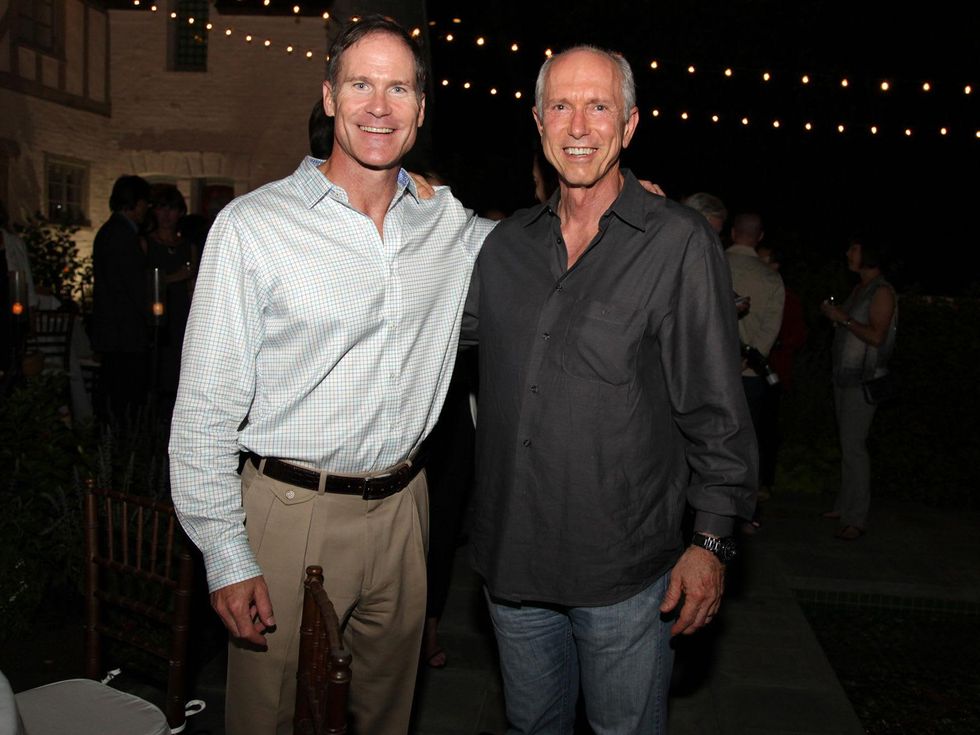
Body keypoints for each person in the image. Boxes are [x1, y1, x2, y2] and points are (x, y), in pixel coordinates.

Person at [168, 15, 493, 735]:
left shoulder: (449, 226)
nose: (379, 105)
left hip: (407, 509)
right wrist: (226, 554)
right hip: (290, 514)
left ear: (421, 106)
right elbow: (203, 411)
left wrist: (613, 204)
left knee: (386, 716)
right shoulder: (254, 227)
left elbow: (545, 251)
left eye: (399, 87)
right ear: (327, 96)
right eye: (361, 84)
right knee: (271, 718)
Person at [465, 46, 756, 734]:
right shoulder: (504, 248)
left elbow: (717, 408)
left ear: (628, 125)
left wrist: (711, 542)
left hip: (623, 572)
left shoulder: (677, 243)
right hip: (514, 562)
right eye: (561, 106)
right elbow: (424, 342)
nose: (578, 126)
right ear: (537, 122)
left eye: (599, 106)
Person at [819, 234, 897, 540]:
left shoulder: (882, 291)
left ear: (868, 254)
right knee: (847, 444)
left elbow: (877, 337)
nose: (848, 252)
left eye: (853, 248)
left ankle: (856, 518)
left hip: (864, 381)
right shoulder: (860, 287)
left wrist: (844, 319)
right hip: (845, 377)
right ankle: (845, 505)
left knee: (855, 447)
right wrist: (836, 318)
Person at [726, 213, 784, 528]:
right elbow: (770, 331)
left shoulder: (710, 261)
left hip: (711, 373)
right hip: (750, 376)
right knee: (747, 444)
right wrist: (749, 358)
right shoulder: (771, 278)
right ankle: (745, 515)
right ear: (759, 237)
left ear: (733, 232)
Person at [91, 175, 152, 422]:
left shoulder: (111, 231)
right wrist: (152, 317)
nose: (146, 209)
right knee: (124, 391)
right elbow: (132, 285)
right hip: (123, 330)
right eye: (144, 203)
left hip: (116, 328)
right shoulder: (121, 235)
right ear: (135, 203)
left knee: (117, 388)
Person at [144, 184, 196, 402]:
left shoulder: (188, 245)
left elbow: (193, 284)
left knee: (178, 362)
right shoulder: (146, 242)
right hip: (156, 309)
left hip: (182, 310)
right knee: (158, 362)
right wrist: (175, 277)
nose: (166, 215)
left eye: (172, 209)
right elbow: (144, 281)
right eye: (162, 208)